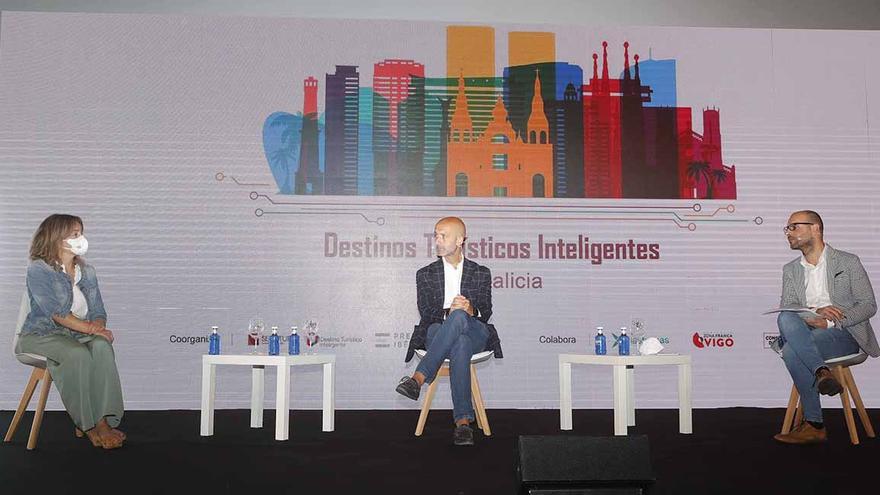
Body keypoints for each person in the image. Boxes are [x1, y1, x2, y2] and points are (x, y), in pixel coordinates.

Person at [18, 214, 126, 449]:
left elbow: (98, 310)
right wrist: (91, 328)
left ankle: (102, 417)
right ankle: (92, 424)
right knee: (77, 354)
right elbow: (56, 313)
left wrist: (97, 327)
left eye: (81, 233)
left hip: (76, 334)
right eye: (75, 234)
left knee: (101, 347)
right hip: (42, 334)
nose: (81, 238)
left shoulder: (87, 272)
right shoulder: (39, 269)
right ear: (56, 238)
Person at [773, 210, 878, 444]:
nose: (788, 233)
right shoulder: (790, 270)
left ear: (815, 228)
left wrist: (831, 320)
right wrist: (814, 312)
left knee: (792, 350)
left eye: (794, 227)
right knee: (785, 317)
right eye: (787, 229)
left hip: (843, 334)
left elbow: (868, 305)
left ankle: (815, 424)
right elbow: (788, 307)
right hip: (806, 330)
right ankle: (822, 372)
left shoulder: (848, 262)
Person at [395, 217, 501, 446]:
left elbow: (487, 311)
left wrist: (470, 309)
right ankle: (463, 423)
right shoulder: (425, 274)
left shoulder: (481, 272)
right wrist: (448, 313)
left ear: (460, 240)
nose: (437, 240)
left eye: (443, 235)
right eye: (435, 235)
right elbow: (426, 312)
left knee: (462, 319)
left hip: (476, 332)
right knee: (459, 342)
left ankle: (418, 378)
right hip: (437, 330)